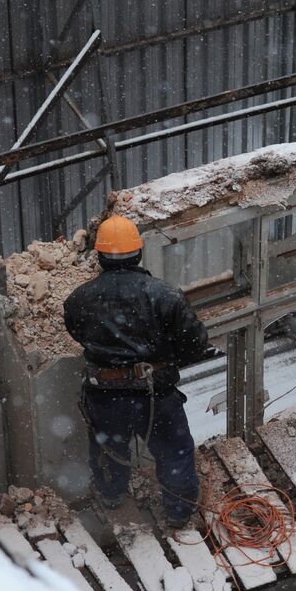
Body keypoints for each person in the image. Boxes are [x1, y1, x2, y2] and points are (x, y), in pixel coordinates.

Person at [63, 214, 210, 528]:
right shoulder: (164, 295)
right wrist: (164, 359)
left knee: (108, 450)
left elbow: (78, 332)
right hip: (155, 393)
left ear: (100, 255)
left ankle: (112, 495)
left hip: (104, 394)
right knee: (173, 453)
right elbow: (194, 343)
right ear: (139, 252)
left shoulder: (79, 300)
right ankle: (178, 512)